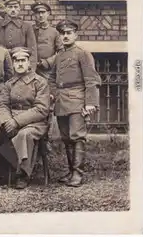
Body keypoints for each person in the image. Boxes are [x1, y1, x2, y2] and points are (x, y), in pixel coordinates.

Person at [0, 47, 50, 190]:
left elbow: (41, 109)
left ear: (28, 63)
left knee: (24, 135)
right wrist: (6, 121)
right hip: (9, 120)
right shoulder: (9, 84)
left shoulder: (40, 82)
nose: (20, 64)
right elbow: (2, 105)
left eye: (23, 61)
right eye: (17, 61)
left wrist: (17, 122)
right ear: (13, 64)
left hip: (34, 122)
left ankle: (23, 174)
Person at [49, 20, 101, 187]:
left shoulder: (82, 54)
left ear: (75, 35)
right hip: (61, 101)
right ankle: (71, 171)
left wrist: (90, 103)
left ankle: (78, 174)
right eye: (62, 33)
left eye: (69, 32)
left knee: (77, 136)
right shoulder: (59, 55)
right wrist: (54, 93)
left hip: (78, 99)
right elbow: (51, 78)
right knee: (66, 138)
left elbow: (91, 79)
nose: (65, 36)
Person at [0, 0, 38, 71]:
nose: (13, 10)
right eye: (10, 7)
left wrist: (31, 69)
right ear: (5, 8)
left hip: (21, 65)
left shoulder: (26, 26)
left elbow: (32, 50)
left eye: (15, 7)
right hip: (3, 65)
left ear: (19, 8)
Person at [31, 1, 63, 79]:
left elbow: (61, 51)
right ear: (34, 15)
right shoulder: (29, 30)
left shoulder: (54, 32)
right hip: (30, 69)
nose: (40, 15)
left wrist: (48, 62)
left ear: (48, 13)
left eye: (43, 12)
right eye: (38, 13)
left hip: (47, 71)